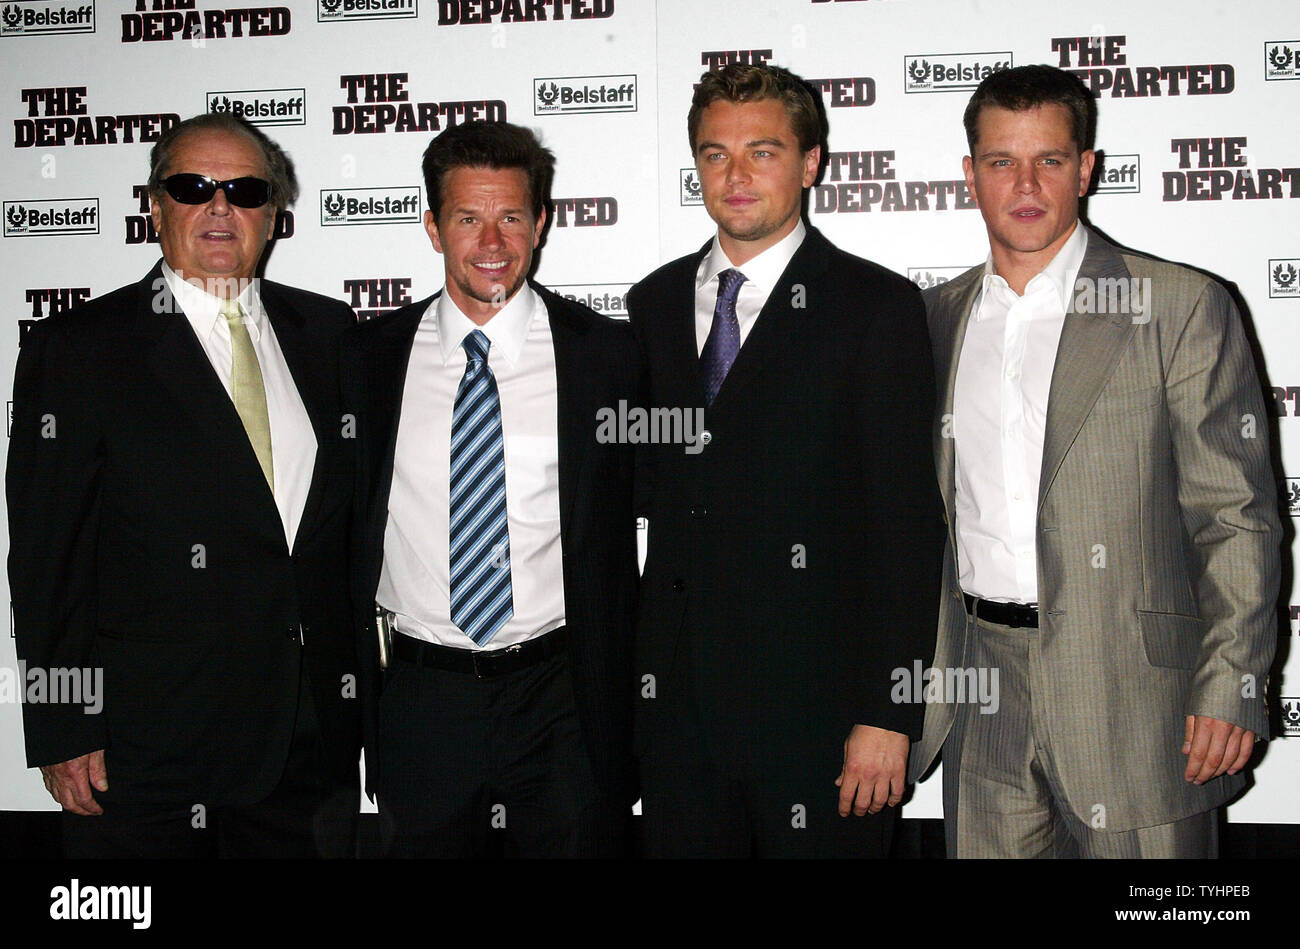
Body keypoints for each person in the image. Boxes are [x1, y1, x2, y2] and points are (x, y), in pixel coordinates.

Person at [909, 64, 1280, 858]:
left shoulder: (1176, 304)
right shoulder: (933, 320)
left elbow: (1236, 516)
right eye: (1002, 161)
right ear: (969, 175)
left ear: (1086, 168)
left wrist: (1231, 683)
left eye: (1049, 159)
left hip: (1142, 700)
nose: (1026, 182)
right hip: (981, 691)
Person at [8, 112, 361, 858]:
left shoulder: (329, 334)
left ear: (274, 211)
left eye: (245, 189)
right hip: (145, 756)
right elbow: (47, 560)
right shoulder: (78, 347)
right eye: (193, 186)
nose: (220, 207)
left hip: (308, 749)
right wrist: (63, 724)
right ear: (154, 205)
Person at [628, 63, 944, 857]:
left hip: (825, 723)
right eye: (714, 154)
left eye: (762, 152)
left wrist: (887, 714)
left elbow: (907, 526)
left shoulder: (875, 306)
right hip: (679, 731)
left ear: (809, 164)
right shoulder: (652, 303)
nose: (735, 176)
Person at [343, 120, 639, 857]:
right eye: (468, 218)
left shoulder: (607, 356)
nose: (492, 242)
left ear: (541, 222)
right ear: (432, 226)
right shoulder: (368, 360)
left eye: (511, 216)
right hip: (421, 699)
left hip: (563, 699)